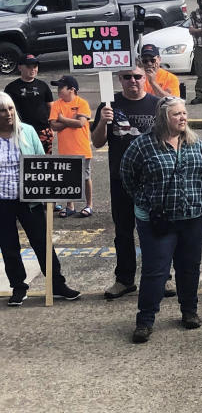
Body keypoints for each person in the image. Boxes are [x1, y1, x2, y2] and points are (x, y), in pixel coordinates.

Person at [120, 97, 202, 343]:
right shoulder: (142, 146)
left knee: (189, 267)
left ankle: (189, 311)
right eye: (176, 114)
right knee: (155, 271)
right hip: (158, 221)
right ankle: (145, 320)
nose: (183, 118)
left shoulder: (195, 143)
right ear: (163, 118)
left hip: (193, 216)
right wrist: (146, 202)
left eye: (184, 113)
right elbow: (127, 176)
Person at [0, 92, 80, 306]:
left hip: (29, 199)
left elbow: (41, 163)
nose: (8, 114)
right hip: (2, 201)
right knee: (8, 246)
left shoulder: (26, 131)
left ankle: (57, 284)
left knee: (42, 242)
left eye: (10, 109)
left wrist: (48, 194)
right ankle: (18, 287)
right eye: (2, 110)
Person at [91, 67, 164, 300]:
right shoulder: (109, 104)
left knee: (156, 231)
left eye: (137, 76)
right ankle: (124, 280)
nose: (132, 81)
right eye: (126, 77)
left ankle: (160, 278)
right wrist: (103, 122)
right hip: (120, 179)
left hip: (152, 180)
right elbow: (97, 141)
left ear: (145, 78)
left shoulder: (157, 105)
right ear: (119, 79)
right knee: (123, 231)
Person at [48, 75, 93, 218]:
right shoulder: (56, 104)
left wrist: (62, 119)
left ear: (72, 89)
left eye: (61, 87)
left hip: (81, 148)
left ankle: (89, 204)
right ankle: (70, 205)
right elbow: (53, 126)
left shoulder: (82, 103)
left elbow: (81, 124)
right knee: (68, 178)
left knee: (85, 177)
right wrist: (71, 120)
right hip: (65, 148)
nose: (58, 90)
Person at [5, 54, 53, 154]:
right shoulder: (11, 88)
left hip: (43, 129)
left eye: (35, 67)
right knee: (24, 159)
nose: (32, 70)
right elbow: (6, 109)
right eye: (28, 67)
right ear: (20, 67)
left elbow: (51, 106)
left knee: (45, 160)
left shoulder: (43, 85)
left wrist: (51, 126)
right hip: (21, 130)